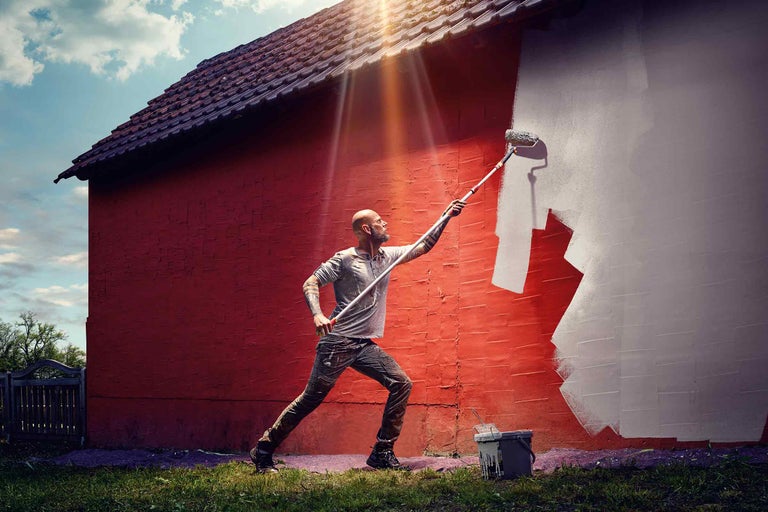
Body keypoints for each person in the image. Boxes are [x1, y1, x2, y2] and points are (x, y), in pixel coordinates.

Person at [251, 199, 465, 472]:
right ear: (366, 228)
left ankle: (382, 452)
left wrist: (446, 216)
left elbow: (423, 246)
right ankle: (263, 449)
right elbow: (311, 282)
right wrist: (317, 314)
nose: (384, 223)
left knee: (401, 383)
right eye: (379, 221)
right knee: (310, 400)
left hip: (363, 345)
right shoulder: (345, 259)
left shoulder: (386, 257)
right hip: (337, 341)